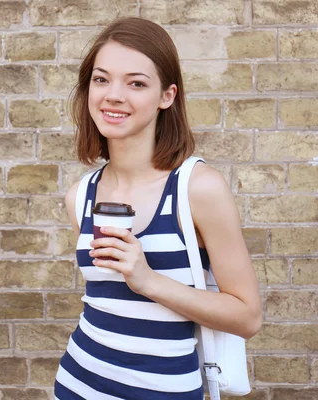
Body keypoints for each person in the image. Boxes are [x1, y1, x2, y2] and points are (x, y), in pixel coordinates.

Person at [54, 17, 262, 400]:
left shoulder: (198, 188)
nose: (113, 95)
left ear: (167, 96)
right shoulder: (80, 195)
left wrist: (148, 280)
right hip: (77, 384)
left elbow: (247, 317)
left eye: (136, 83)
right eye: (101, 80)